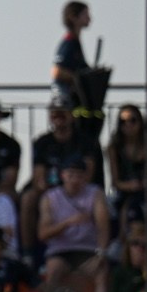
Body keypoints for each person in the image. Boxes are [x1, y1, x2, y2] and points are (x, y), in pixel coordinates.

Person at [22, 93, 104, 251]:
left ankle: (101, 250)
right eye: (54, 112)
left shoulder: (85, 141)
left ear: (72, 115)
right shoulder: (42, 142)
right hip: (52, 192)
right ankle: (27, 253)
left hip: (80, 189)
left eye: (63, 112)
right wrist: (55, 194)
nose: (58, 116)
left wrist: (70, 189)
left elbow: (88, 173)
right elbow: (38, 177)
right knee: (28, 198)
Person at [39, 156, 111, 292]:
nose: (75, 180)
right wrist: (68, 222)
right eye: (70, 174)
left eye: (79, 175)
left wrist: (101, 253)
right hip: (61, 250)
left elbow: (103, 225)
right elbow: (43, 233)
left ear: (85, 177)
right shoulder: (50, 197)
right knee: (53, 271)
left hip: (87, 249)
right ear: (62, 175)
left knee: (102, 273)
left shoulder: (96, 193)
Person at [105, 104, 147, 233]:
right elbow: (115, 181)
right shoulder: (114, 148)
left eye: (132, 120)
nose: (128, 125)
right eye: (123, 121)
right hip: (123, 192)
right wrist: (129, 186)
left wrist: (142, 184)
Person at [50, 0, 93, 106]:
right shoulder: (69, 42)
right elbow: (56, 71)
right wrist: (76, 79)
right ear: (74, 17)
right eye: (85, 14)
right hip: (66, 100)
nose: (89, 18)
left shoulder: (75, 42)